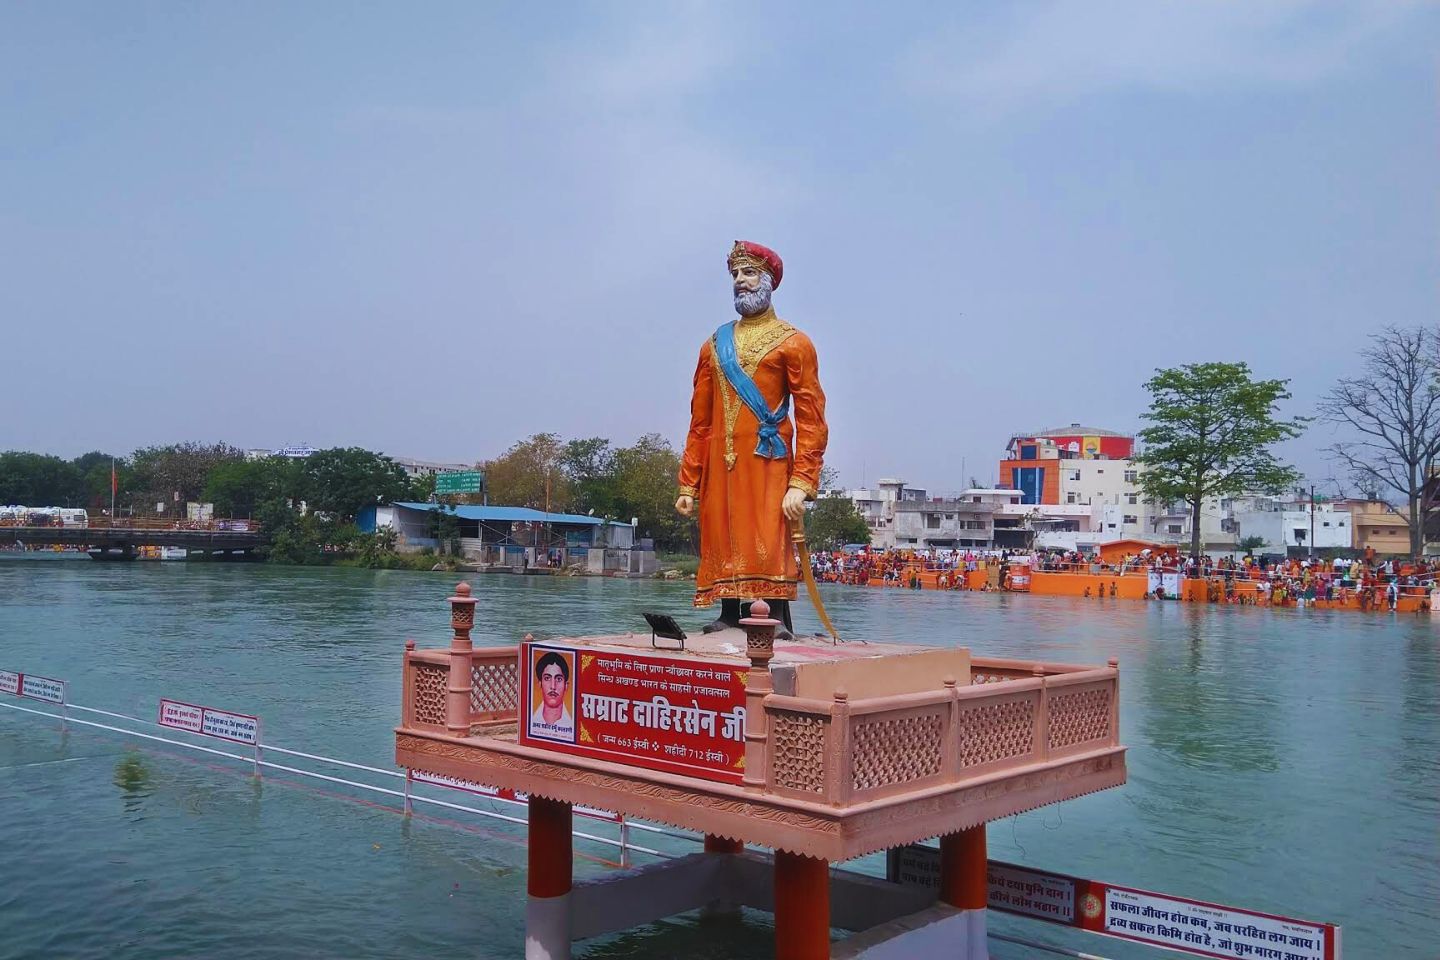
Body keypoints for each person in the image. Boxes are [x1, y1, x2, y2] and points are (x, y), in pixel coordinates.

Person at [675, 241, 828, 637]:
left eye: (749, 273)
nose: (740, 281)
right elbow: (700, 420)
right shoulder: (713, 345)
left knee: (766, 530)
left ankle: (773, 613)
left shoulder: (793, 342)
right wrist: (689, 482)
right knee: (722, 528)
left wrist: (802, 481)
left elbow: (811, 417)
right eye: (735, 275)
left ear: (769, 281)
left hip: (768, 458)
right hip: (720, 459)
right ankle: (729, 612)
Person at [529, 651, 574, 742]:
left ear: (566, 685)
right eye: (547, 678)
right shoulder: (530, 722)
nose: (553, 686)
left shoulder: (572, 726)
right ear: (540, 684)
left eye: (559, 679)